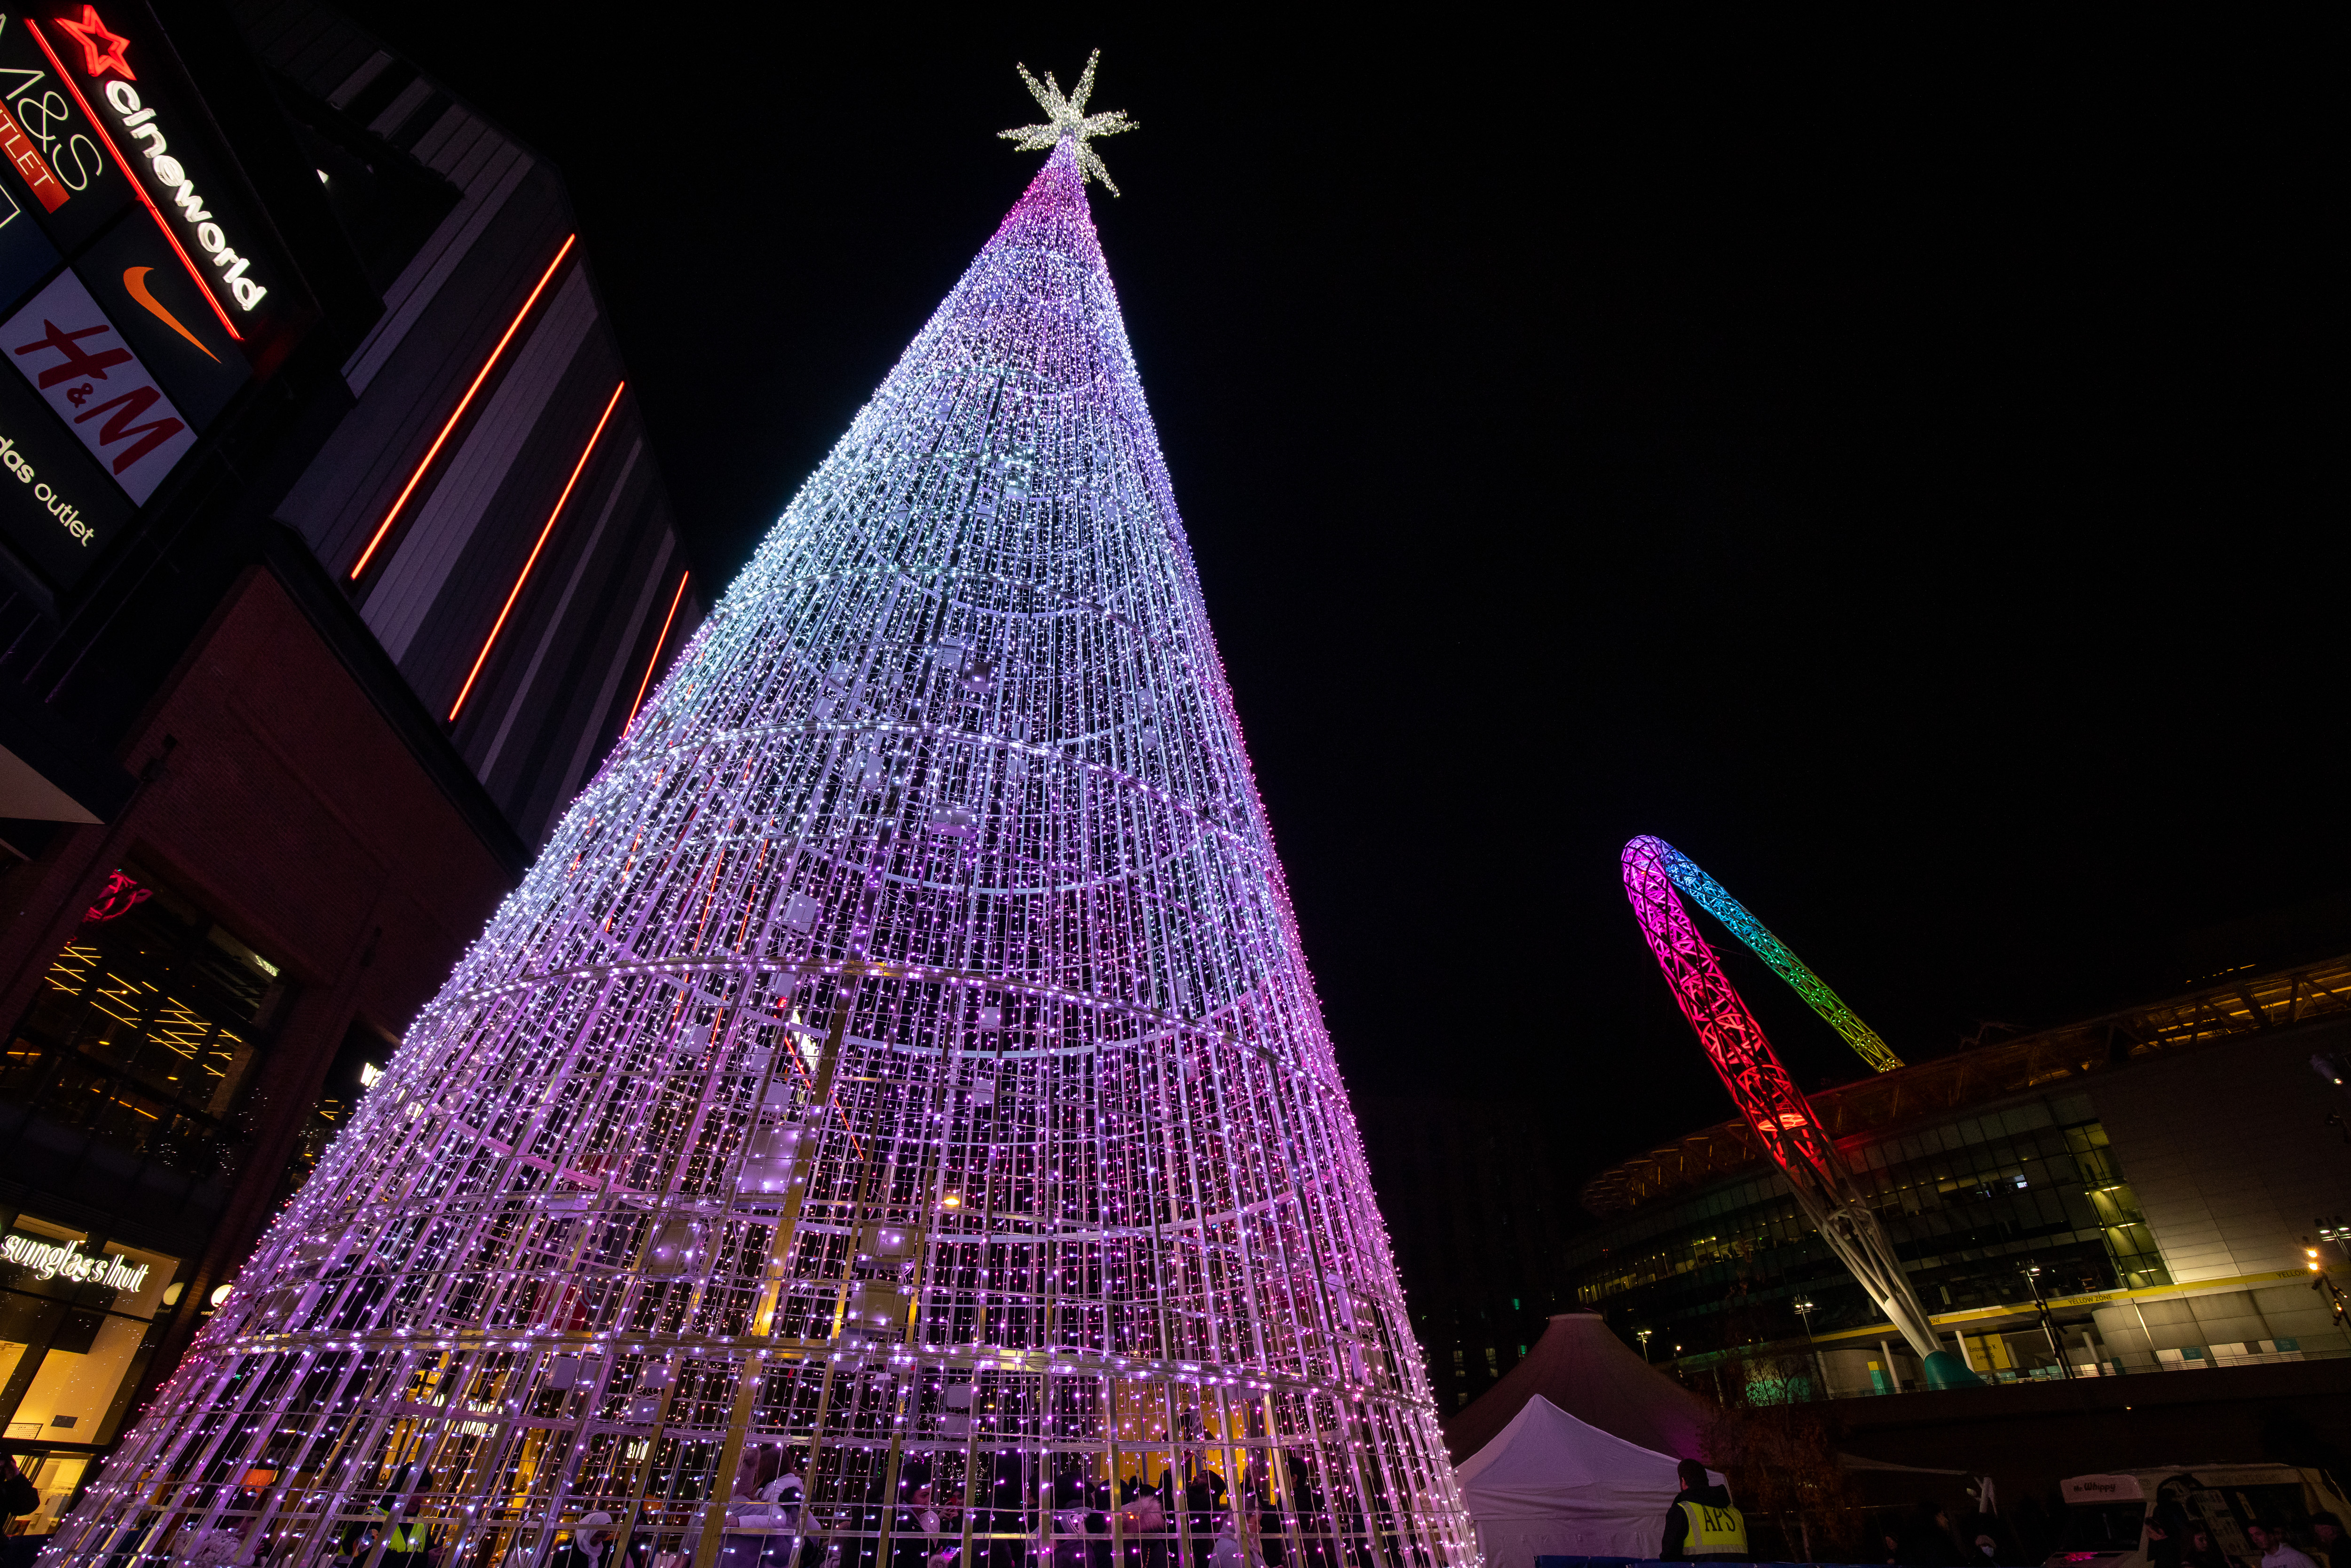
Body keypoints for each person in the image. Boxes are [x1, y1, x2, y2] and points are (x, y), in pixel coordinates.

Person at [1660, 1458, 1748, 1563]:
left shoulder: (1681, 1511)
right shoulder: (1735, 1513)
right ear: (1706, 1482)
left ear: (1684, 1482)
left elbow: (1669, 1558)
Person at [1900, 1503, 1964, 1567]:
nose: (1946, 1520)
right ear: (1935, 1517)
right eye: (1943, 1515)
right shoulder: (1939, 1541)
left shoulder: (1909, 1542)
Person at [2247, 1521, 2318, 1568]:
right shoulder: (2265, 1561)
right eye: (2252, 1536)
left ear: (2271, 1536)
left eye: (2258, 1534)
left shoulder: (2297, 1557)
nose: (2255, 1539)